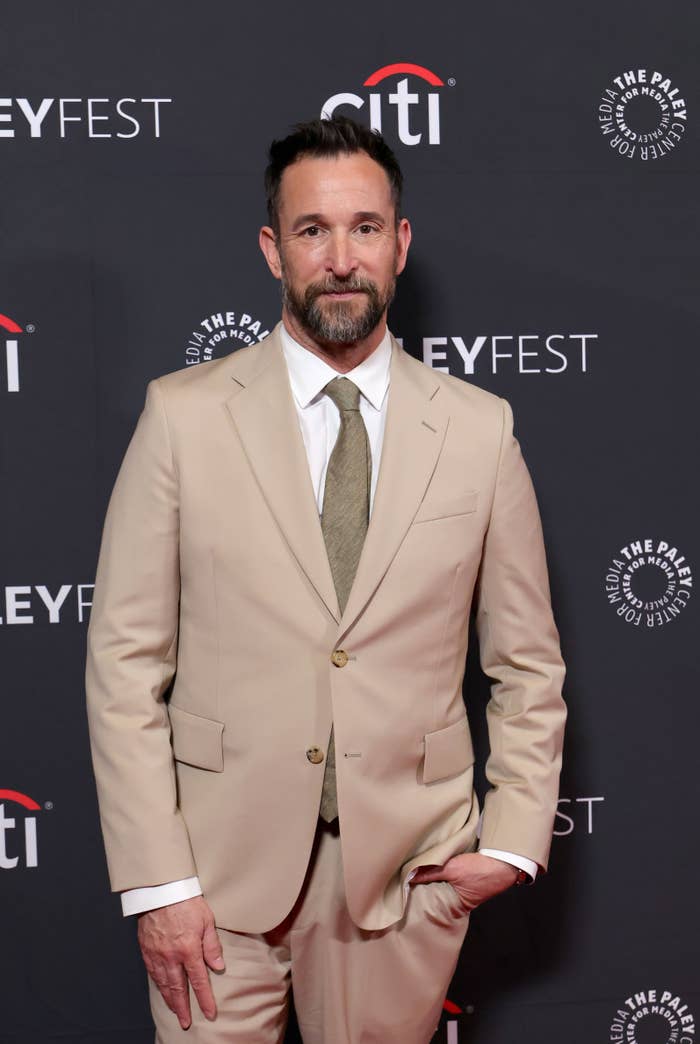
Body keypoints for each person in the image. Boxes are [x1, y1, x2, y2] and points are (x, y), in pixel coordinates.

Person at [86, 115, 566, 1044]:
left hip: (403, 882)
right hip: (213, 886)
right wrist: (160, 885)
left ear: (400, 243)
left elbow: (527, 665)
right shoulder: (182, 419)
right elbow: (123, 666)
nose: (341, 258)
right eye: (312, 231)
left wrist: (510, 842)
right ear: (273, 250)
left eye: (364, 228)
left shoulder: (480, 430)